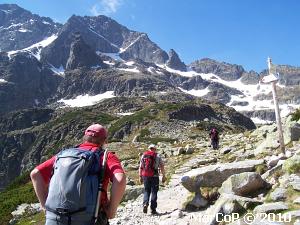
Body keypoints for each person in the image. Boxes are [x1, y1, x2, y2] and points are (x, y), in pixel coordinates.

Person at [30, 124, 126, 225]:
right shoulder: (105, 156)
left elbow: (35, 174)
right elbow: (119, 180)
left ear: (84, 137)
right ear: (104, 140)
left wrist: (45, 206)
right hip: (89, 218)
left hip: (55, 218)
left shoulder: (63, 154)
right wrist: (112, 210)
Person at [139, 144, 166, 215]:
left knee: (147, 190)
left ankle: (145, 203)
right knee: (154, 192)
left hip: (145, 176)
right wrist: (164, 175)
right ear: (155, 149)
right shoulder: (157, 156)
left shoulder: (143, 155)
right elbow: (162, 166)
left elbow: (141, 167)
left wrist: (140, 176)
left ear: (149, 149)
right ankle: (153, 209)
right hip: (154, 176)